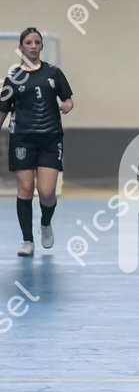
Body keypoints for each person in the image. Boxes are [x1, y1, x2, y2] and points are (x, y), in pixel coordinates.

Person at [0, 27, 74, 257]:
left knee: (47, 191)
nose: (33, 46)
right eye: (28, 42)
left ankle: (45, 223)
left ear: (41, 46)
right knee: (25, 188)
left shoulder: (54, 73)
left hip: (50, 138)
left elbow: (68, 99)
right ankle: (27, 240)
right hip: (22, 139)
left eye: (37, 42)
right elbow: (3, 109)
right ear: (21, 47)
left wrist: (67, 105)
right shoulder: (12, 79)